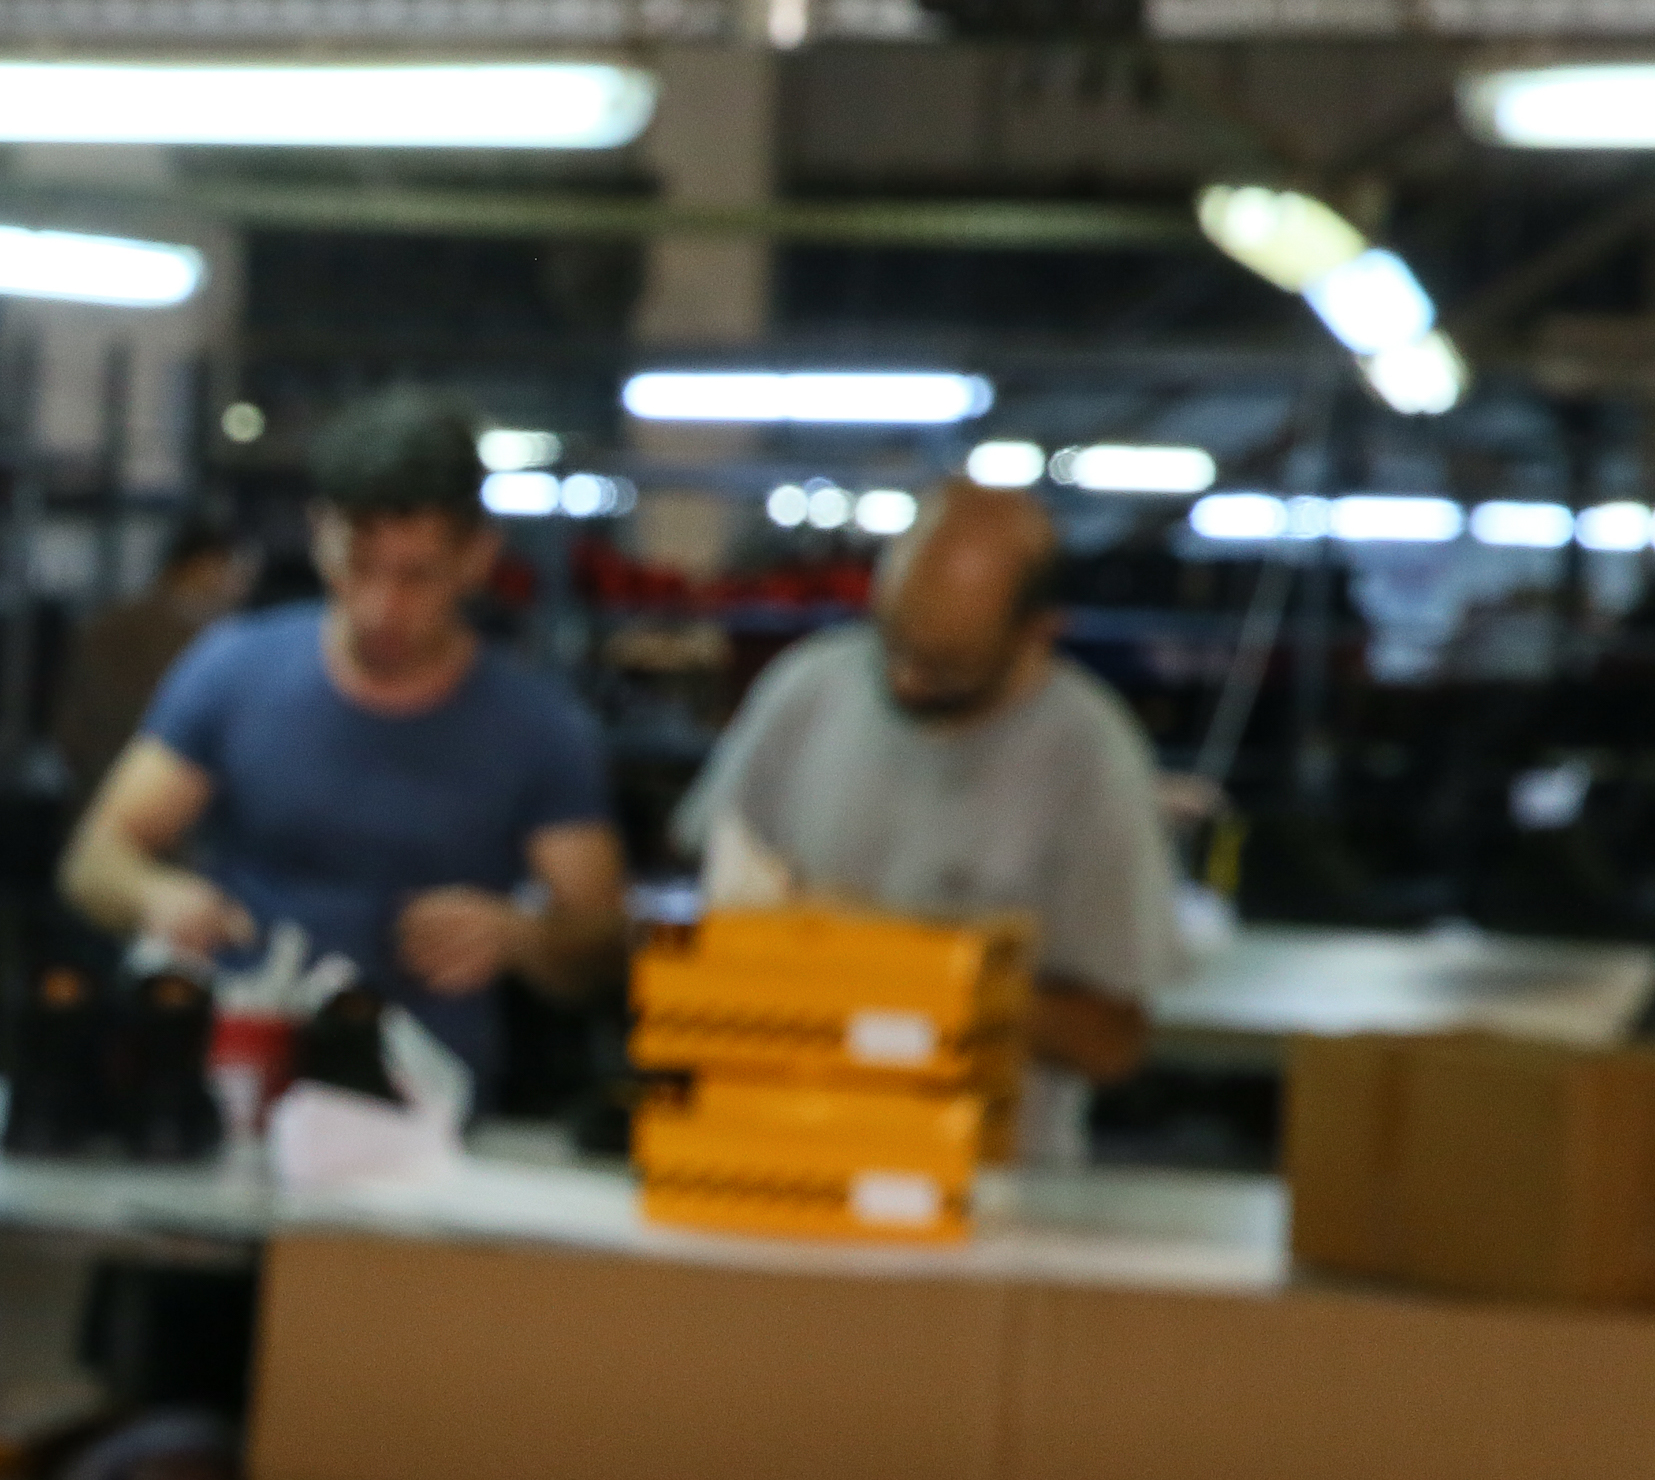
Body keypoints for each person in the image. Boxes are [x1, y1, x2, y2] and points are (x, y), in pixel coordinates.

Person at [58, 389, 626, 1101]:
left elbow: (600, 939)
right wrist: (155, 895)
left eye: (416, 576)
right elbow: (95, 858)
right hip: (234, 1083)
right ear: (319, 533)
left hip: (424, 1109)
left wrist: (521, 937)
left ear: (477, 556)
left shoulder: (535, 727)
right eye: (358, 566)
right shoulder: (233, 672)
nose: (381, 607)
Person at [674, 478, 1181, 1163]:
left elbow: (1111, 1043)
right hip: (783, 1145)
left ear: (1038, 632)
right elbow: (694, 896)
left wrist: (908, 969)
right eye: (895, 646)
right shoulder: (809, 692)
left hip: (985, 1172)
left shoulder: (1089, 759)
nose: (908, 680)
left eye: (945, 667)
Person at [51, 518, 255, 797]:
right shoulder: (203, 638)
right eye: (240, 573)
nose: (245, 588)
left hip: (104, 789)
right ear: (202, 567)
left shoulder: (112, 622)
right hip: (152, 792)